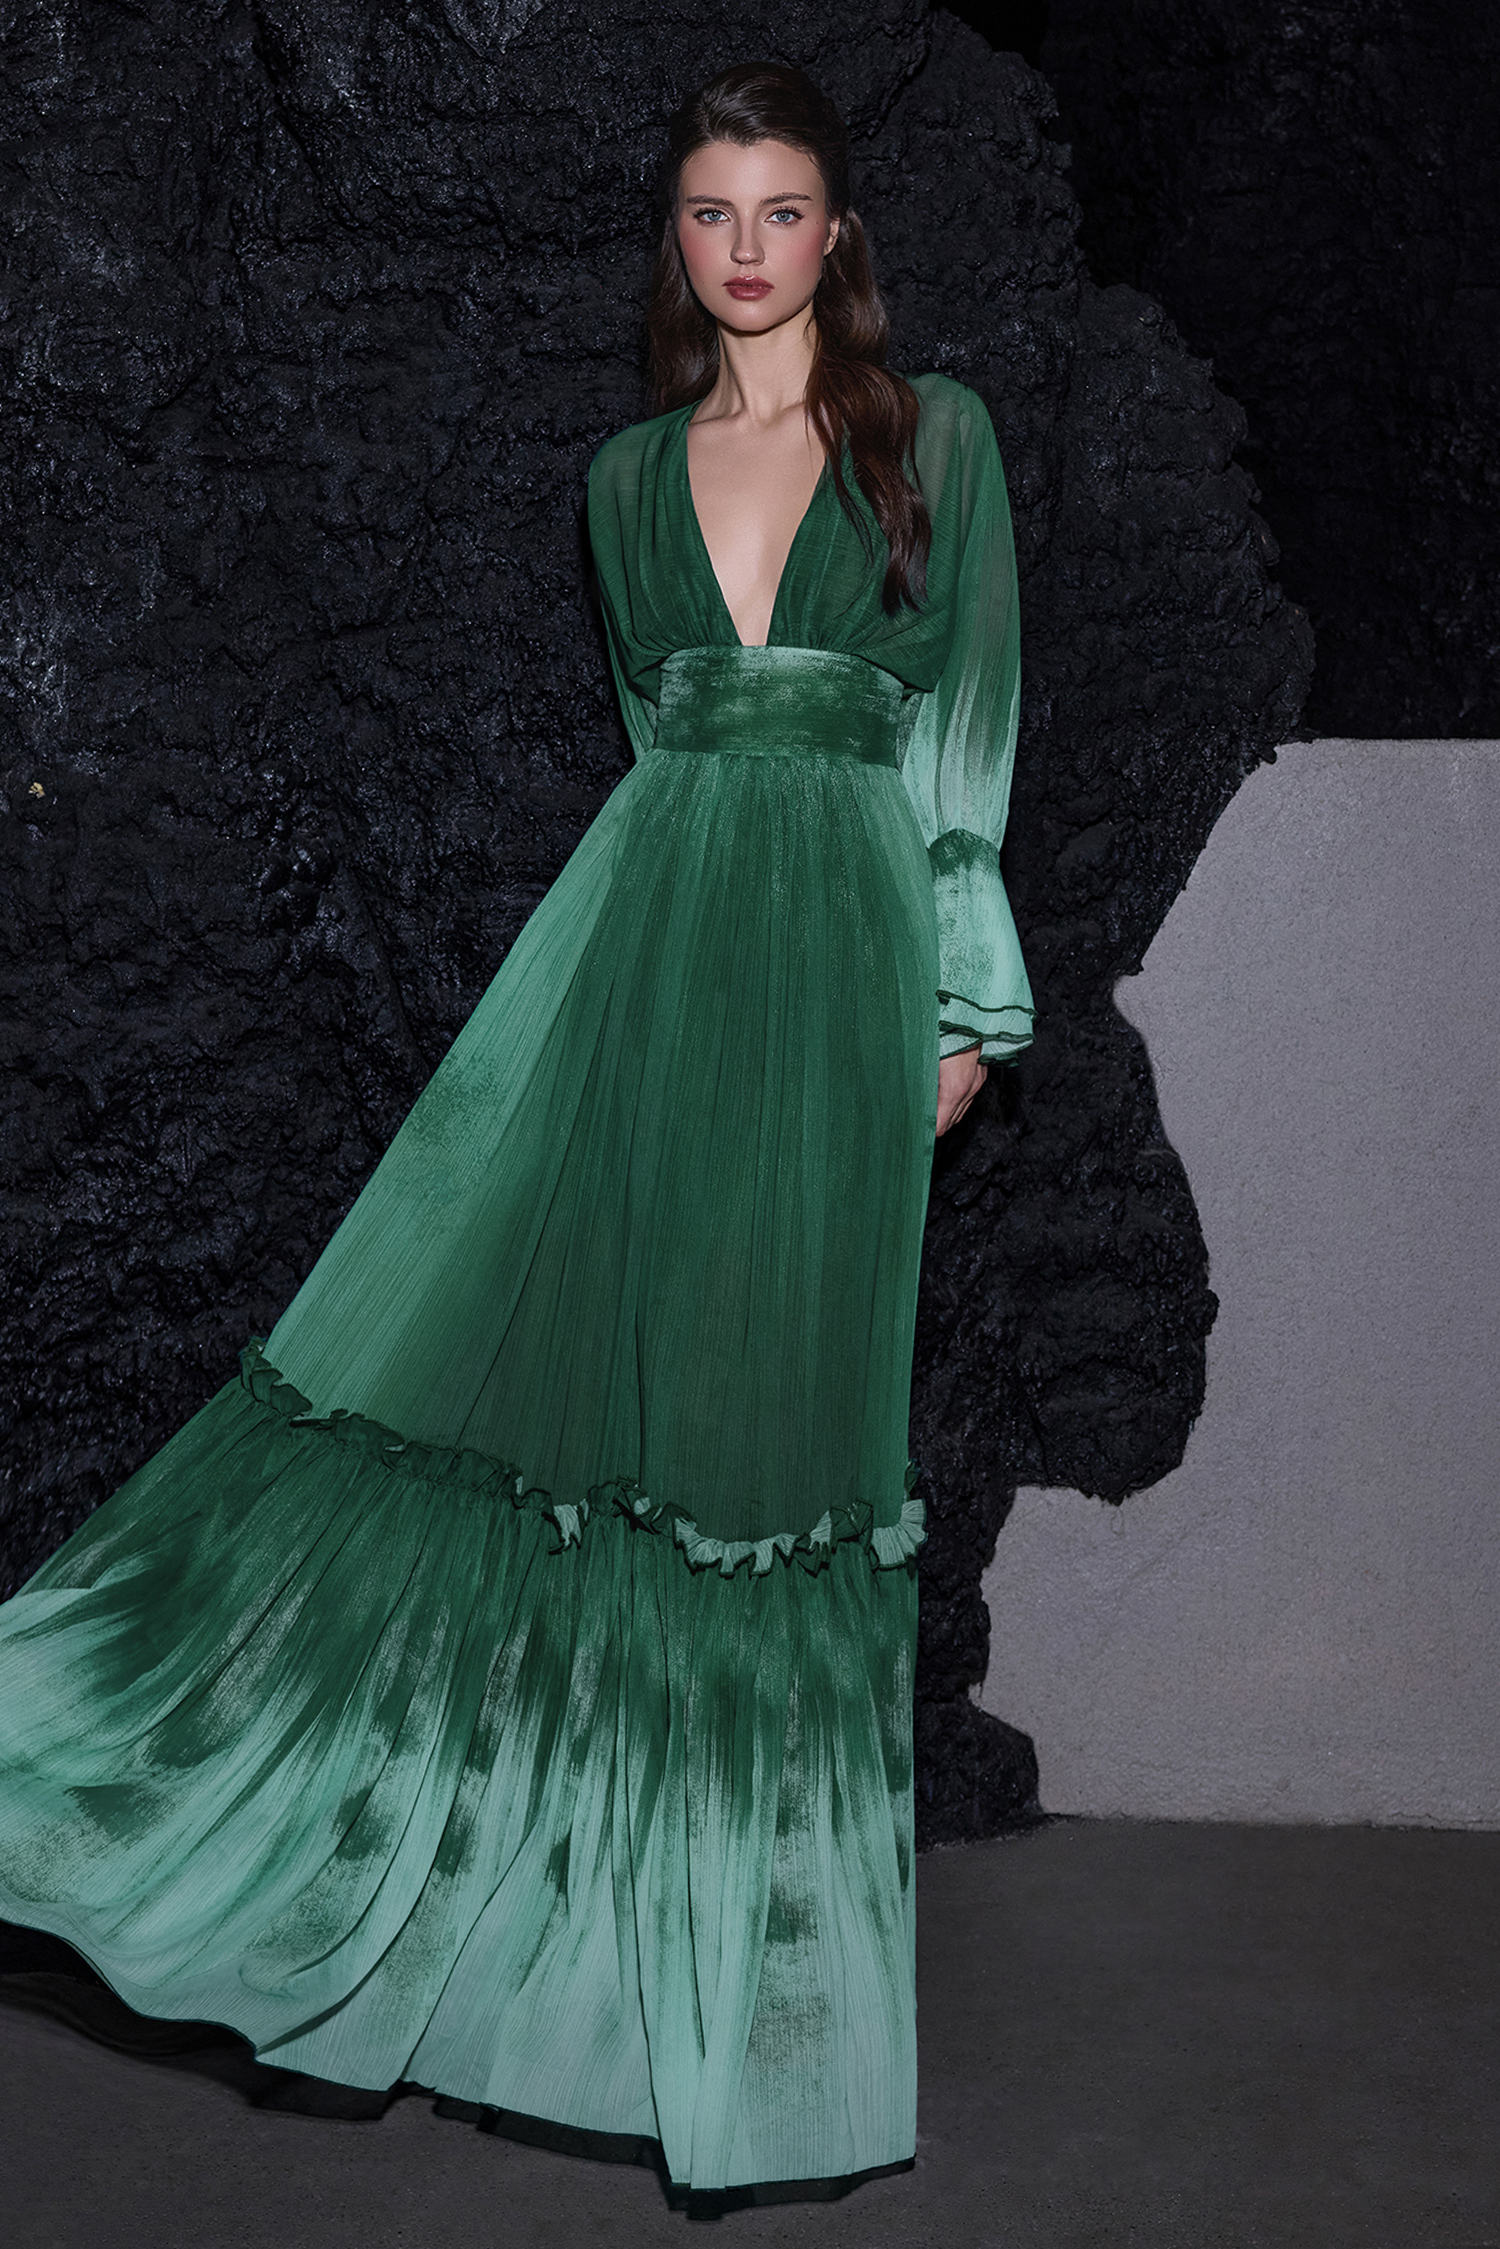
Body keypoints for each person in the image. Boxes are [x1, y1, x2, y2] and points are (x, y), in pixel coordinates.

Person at [0, 60, 1032, 2205]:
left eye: (782, 209)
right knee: (564, 1406)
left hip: (844, 966)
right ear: (676, 238)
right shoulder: (624, 478)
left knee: (786, 1466)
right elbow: (661, 746)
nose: (745, 247)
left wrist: (966, 1000)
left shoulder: (936, 438)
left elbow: (964, 727)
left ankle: (771, 2026)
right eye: (710, 212)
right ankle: (563, 1953)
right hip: (644, 955)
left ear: (839, 233)